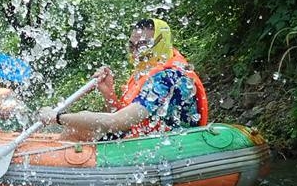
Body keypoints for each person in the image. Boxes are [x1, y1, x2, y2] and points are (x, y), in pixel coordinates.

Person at [38, 18, 209, 141]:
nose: (135, 53)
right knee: (77, 128)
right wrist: (108, 92)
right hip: (149, 138)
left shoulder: (168, 77)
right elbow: (124, 119)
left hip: (170, 147)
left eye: (142, 46)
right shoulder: (150, 69)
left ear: (160, 43)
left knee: (75, 125)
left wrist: (57, 117)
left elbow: (117, 122)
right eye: (131, 46)